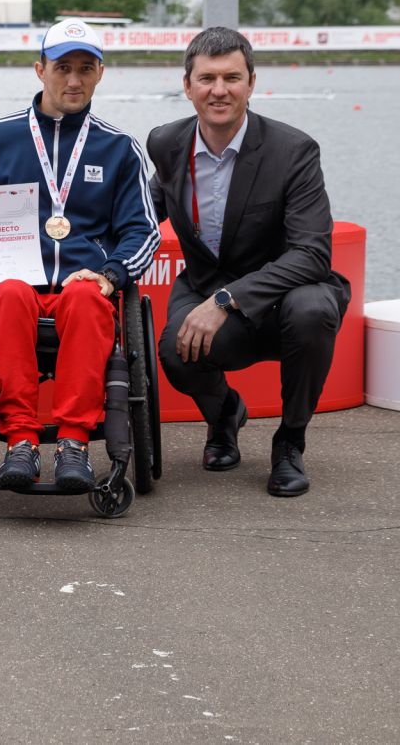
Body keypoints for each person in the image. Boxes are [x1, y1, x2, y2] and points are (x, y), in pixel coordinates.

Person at [0, 19, 161, 491]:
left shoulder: (120, 148)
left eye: (85, 69)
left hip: (81, 288)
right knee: (5, 297)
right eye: (62, 67)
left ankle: (73, 442)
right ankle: (20, 440)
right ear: (39, 69)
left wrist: (110, 275)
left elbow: (142, 232)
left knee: (88, 297)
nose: (73, 80)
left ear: (100, 74)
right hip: (14, 284)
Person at [146, 26, 350, 497]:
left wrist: (226, 300)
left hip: (287, 295)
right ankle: (224, 417)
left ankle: (289, 443)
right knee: (174, 351)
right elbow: (137, 217)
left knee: (313, 311)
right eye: (208, 78)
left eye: (232, 78)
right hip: (207, 283)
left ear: (252, 84)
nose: (219, 90)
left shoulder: (293, 151)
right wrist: (60, 241)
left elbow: (312, 253)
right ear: (188, 86)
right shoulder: (167, 144)